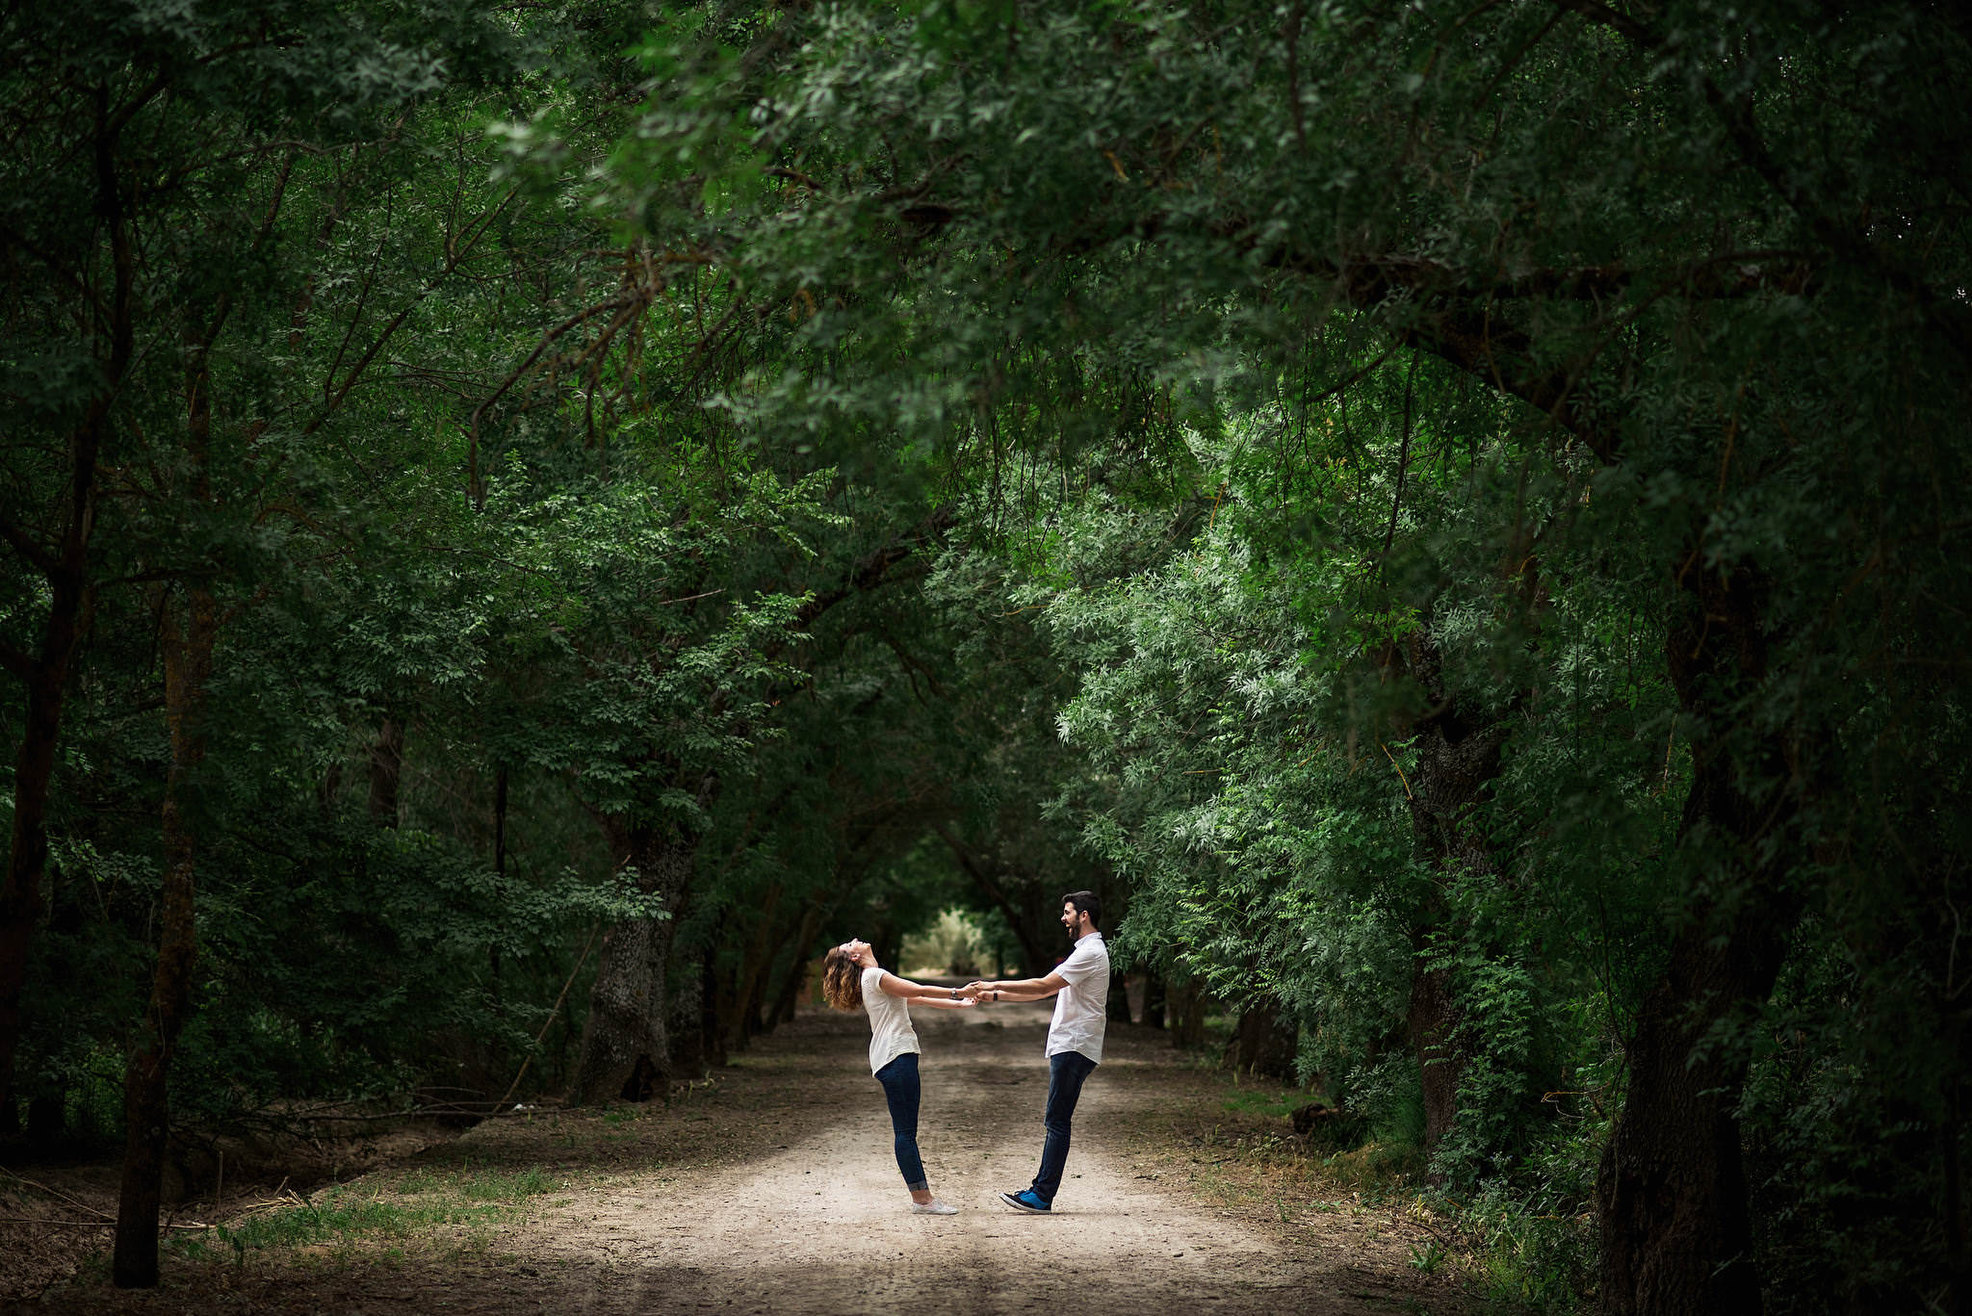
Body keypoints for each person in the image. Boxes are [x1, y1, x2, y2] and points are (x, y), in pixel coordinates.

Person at [964, 890, 1110, 1214]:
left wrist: (992, 985)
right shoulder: (1085, 951)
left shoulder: (1091, 951)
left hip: (1074, 1044)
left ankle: (1041, 1195)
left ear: (1084, 915)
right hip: (1072, 1044)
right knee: (1056, 1119)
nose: (1063, 917)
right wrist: (996, 996)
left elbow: (1043, 985)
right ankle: (1039, 1192)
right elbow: (1046, 992)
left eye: (1068, 912)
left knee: (1057, 1121)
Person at [821, 938, 975, 1214]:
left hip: (891, 1057)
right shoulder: (875, 975)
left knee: (906, 1131)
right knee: (905, 1133)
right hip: (896, 1056)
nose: (856, 940)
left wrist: (959, 1005)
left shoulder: (873, 978)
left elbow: (915, 998)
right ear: (854, 957)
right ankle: (922, 1201)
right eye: (849, 944)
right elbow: (918, 988)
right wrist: (956, 991)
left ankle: (922, 1198)